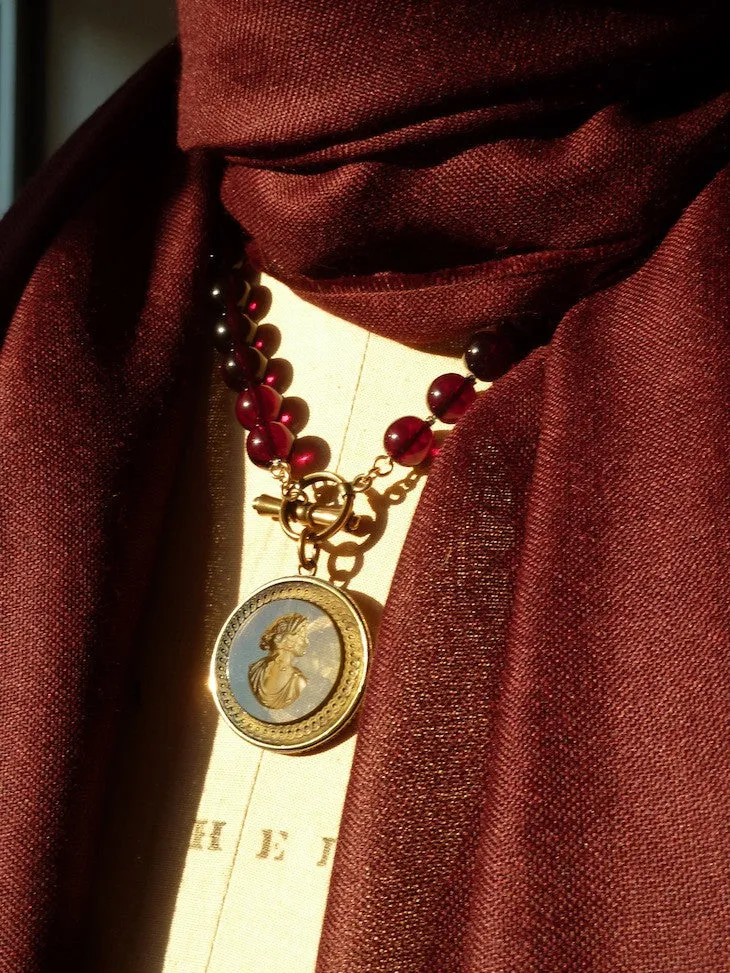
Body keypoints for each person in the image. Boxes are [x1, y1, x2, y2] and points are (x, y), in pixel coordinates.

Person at [248, 613, 309, 709]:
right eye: (302, 637)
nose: (307, 642)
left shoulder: (299, 680)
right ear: (289, 641)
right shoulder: (257, 670)